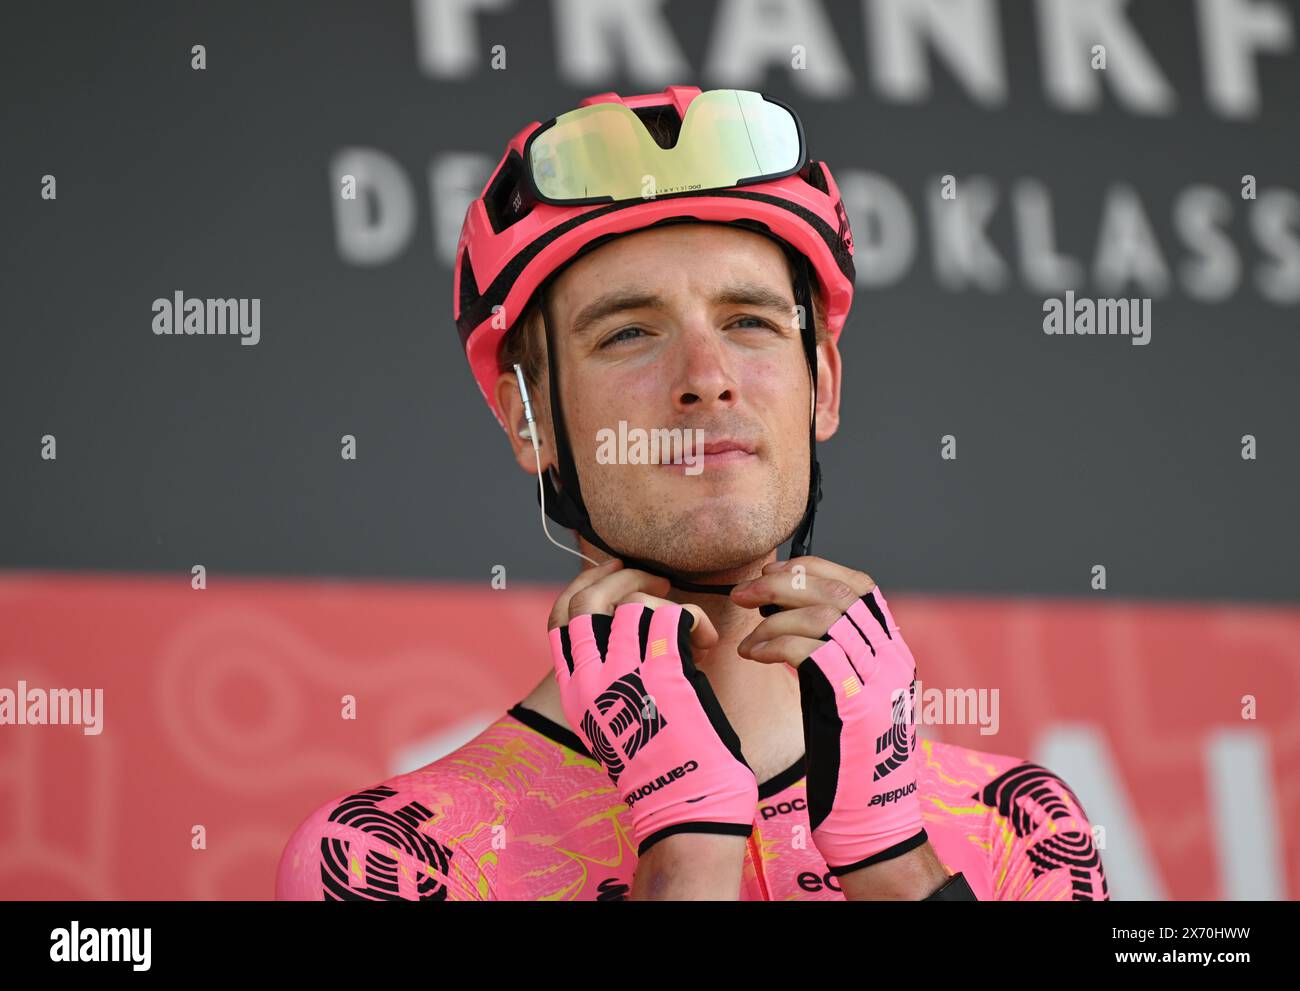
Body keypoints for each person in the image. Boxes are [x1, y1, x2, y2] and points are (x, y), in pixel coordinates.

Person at [275, 86, 1108, 901]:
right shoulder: (397, 857)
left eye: (749, 322)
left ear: (821, 388)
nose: (707, 381)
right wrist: (686, 848)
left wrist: (893, 863)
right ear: (528, 420)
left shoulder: (1021, 830)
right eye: (629, 332)